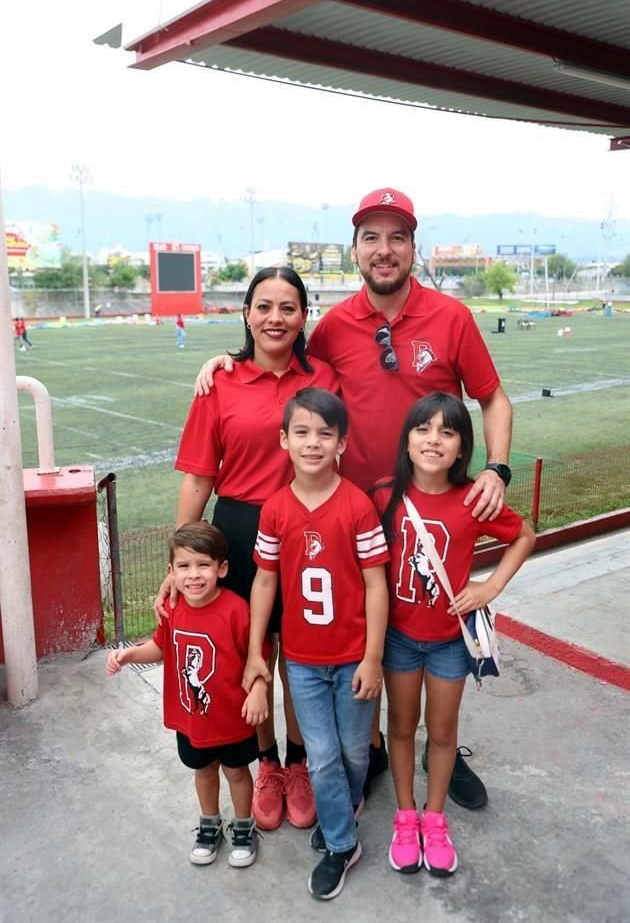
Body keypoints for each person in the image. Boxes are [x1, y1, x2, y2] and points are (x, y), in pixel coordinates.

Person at [194, 187, 514, 808]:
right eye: (372, 237)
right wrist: (225, 360)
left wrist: (496, 468)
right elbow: (279, 356)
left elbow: (492, 397)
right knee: (368, 634)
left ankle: (439, 743)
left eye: (397, 237)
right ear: (356, 250)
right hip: (353, 517)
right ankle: (366, 751)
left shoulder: (452, 317)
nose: (384, 249)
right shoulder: (337, 326)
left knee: (438, 630)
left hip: (433, 512)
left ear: (413, 248)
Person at [157, 267, 338, 833]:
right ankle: (264, 764)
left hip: (308, 526)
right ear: (246, 313)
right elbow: (197, 478)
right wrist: (177, 559)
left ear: (305, 316)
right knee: (249, 654)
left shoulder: (326, 379)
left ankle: (300, 762)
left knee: (302, 658)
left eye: (288, 307)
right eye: (264, 306)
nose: (275, 318)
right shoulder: (221, 382)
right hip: (239, 526)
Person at [371, 393, 535, 877]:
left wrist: (490, 586)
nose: (434, 440)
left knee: (441, 733)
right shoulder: (384, 494)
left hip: (448, 641)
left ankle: (435, 818)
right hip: (398, 639)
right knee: (400, 728)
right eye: (423, 429)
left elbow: (524, 535)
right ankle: (405, 816)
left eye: (447, 431)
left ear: (463, 448)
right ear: (406, 440)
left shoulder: (474, 499)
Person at [243, 388, 389, 900]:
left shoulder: (358, 506)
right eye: (301, 432)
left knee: (353, 752)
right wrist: (256, 652)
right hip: (302, 661)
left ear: (342, 444)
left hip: (351, 657)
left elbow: (376, 583)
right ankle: (343, 844)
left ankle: (339, 811)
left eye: (324, 434)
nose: (312, 443)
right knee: (323, 754)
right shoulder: (275, 509)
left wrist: (373, 657)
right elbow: (264, 581)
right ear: (284, 440)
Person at [106, 522, 269, 868]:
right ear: (171, 572)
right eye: (184, 566)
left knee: (237, 772)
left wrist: (257, 691)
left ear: (221, 568)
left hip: (233, 718)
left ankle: (244, 826)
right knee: (204, 770)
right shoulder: (173, 610)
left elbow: (257, 658)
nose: (193, 575)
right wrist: (129, 655)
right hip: (192, 719)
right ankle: (209, 824)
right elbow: (160, 647)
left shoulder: (238, 611)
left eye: (203, 565)